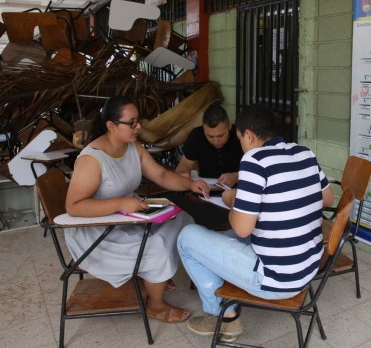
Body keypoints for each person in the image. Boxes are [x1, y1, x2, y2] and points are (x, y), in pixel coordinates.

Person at [177, 104, 334, 341]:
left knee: (187, 237)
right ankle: (223, 296)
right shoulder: (304, 153)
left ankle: (223, 316)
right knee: (220, 239)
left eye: (239, 138)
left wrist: (232, 200)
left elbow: (242, 229)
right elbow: (328, 199)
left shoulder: (254, 160)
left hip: (275, 278)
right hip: (308, 268)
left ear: (248, 135)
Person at [65, 96, 210, 324]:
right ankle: (156, 305)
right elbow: (73, 207)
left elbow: (160, 175)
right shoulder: (92, 159)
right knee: (157, 247)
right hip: (99, 232)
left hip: (128, 218)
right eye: (132, 123)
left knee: (181, 218)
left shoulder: (133, 146)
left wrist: (189, 184)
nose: (139, 127)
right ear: (111, 126)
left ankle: (155, 274)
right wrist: (121, 203)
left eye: (138, 121)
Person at [175, 104, 244, 188]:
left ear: (229, 126)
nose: (216, 141)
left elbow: (258, 167)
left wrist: (237, 176)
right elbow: (184, 165)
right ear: (203, 129)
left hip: (238, 189)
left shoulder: (241, 135)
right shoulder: (197, 135)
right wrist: (183, 174)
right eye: (210, 136)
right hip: (204, 190)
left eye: (221, 136)